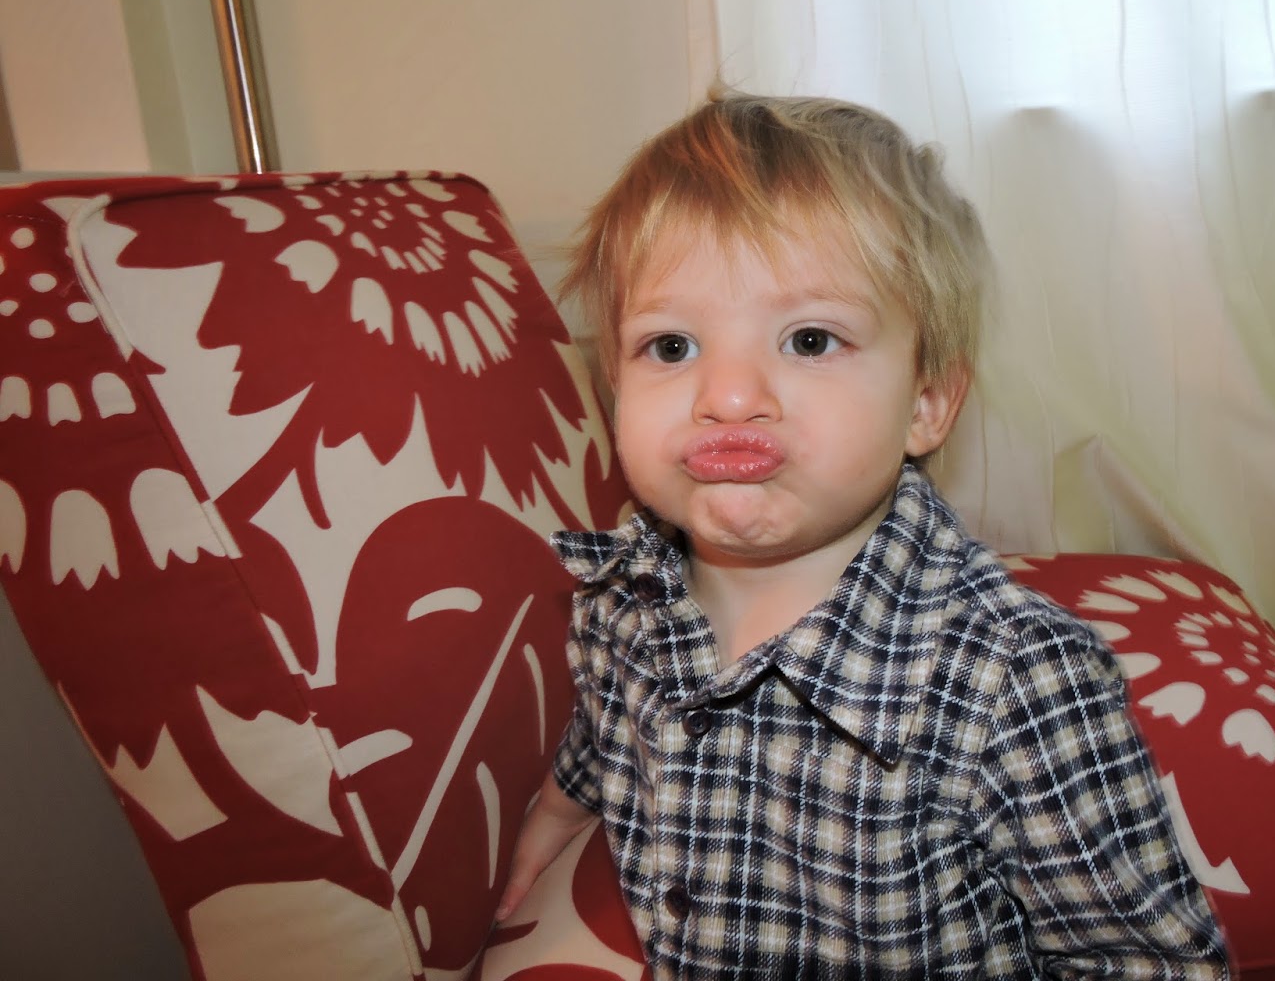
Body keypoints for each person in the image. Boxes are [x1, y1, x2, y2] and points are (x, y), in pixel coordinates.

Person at [496, 91, 1230, 979]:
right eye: (672, 347)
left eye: (809, 339)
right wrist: (554, 812)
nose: (728, 395)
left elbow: (1149, 961)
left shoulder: (1013, 683)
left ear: (926, 402)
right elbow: (610, 726)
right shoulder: (623, 592)